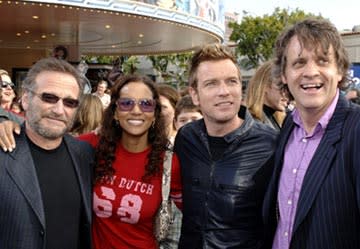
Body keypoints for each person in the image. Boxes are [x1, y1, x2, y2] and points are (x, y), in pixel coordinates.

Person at [262, 18, 360, 249]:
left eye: (322, 61)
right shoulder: (287, 128)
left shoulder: (356, 130)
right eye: (299, 63)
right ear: (284, 75)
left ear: (339, 71)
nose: (311, 72)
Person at [174, 43, 278, 248]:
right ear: (194, 94)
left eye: (231, 81)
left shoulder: (270, 144)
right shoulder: (186, 138)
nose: (224, 92)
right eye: (211, 83)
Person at [78, 75, 182, 249]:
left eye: (146, 104)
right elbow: (50, 143)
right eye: (126, 103)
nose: (136, 110)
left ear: (155, 114)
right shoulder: (93, 146)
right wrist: (15, 124)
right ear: (116, 112)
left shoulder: (169, 162)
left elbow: (200, 217)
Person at [0, 57, 93, 248]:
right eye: (49, 98)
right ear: (25, 99)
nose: (59, 110)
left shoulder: (84, 154)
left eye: (69, 103)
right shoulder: (3, 152)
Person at [246, 60, 289, 130]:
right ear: (265, 85)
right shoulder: (252, 124)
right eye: (282, 87)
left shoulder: (279, 120)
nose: (287, 93)